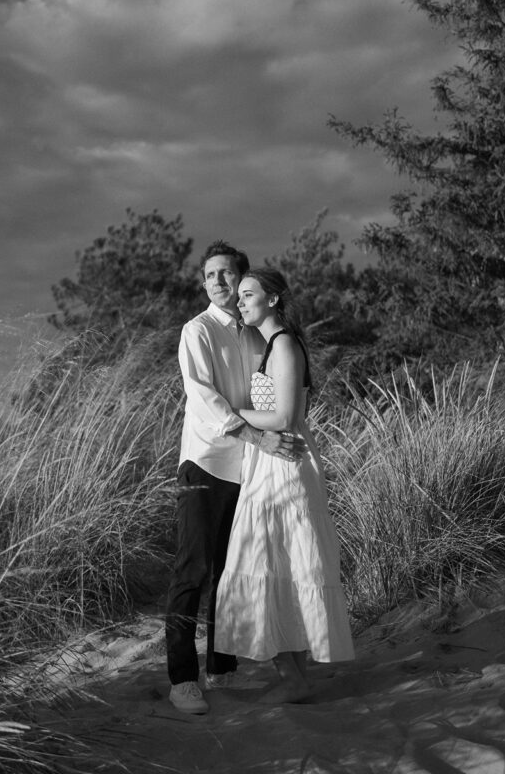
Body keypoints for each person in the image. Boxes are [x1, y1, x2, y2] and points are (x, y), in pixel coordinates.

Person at [165, 243, 305, 715]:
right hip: (205, 464)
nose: (218, 282)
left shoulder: (257, 335)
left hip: (249, 470)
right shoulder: (197, 330)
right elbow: (202, 397)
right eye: (210, 275)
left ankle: (220, 670)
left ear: (244, 280)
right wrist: (258, 437)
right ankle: (182, 679)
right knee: (193, 571)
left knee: (231, 571)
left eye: (227, 274)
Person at [215, 267, 354, 703]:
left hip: (287, 465)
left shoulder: (286, 345)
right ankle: (293, 677)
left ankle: (295, 680)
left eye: (248, 294)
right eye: (238, 296)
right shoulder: (269, 346)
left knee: (280, 564)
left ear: (273, 299)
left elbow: (287, 418)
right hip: (268, 463)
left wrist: (232, 414)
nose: (240, 302)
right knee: (271, 567)